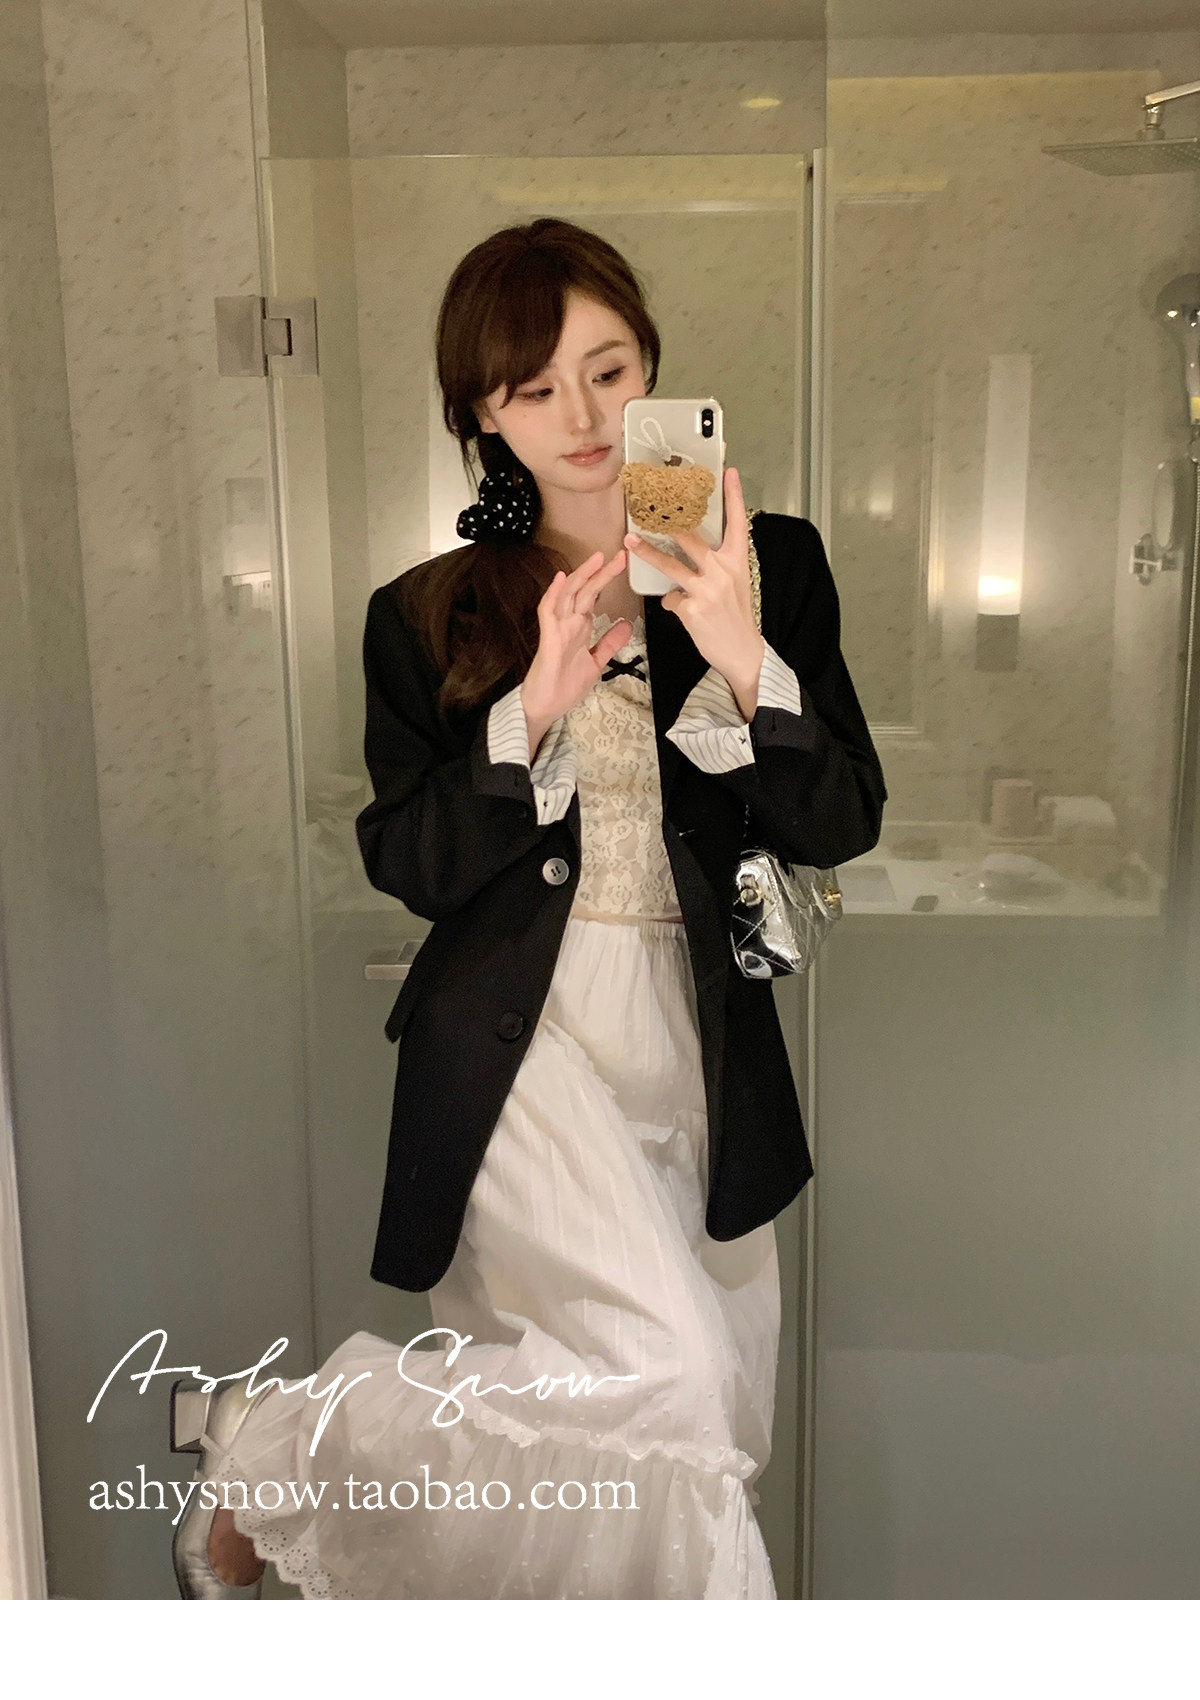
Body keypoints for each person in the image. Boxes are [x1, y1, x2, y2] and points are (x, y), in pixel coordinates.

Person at [168, 217, 887, 1601]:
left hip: (703, 1049)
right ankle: (278, 1446)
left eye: (609, 372)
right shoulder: (428, 612)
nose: (587, 418)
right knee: (671, 1381)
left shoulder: (768, 564)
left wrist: (745, 660)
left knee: (703, 1436)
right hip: (520, 1042)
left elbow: (843, 816)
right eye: (537, 389)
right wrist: (529, 719)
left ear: (653, 368)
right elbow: (407, 859)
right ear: (483, 416)